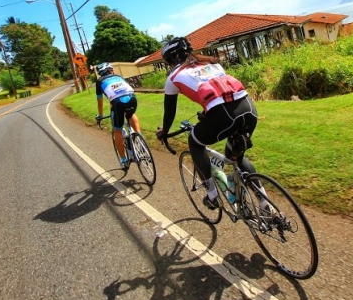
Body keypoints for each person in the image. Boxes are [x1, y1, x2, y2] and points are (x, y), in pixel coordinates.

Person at [155, 37, 258, 209]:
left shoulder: (173, 77)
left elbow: (170, 111)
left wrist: (164, 131)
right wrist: (206, 113)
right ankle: (264, 203)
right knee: (236, 156)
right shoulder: (214, 65)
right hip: (248, 109)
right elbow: (223, 93)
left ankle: (212, 196)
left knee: (195, 142)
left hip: (223, 116)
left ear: (171, 59)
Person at [95, 62, 141, 166]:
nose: (113, 71)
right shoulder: (118, 76)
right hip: (132, 98)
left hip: (117, 103)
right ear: (109, 70)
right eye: (112, 69)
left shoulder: (99, 81)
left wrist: (101, 115)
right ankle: (139, 138)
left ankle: (124, 160)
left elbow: (100, 101)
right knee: (131, 114)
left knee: (117, 130)